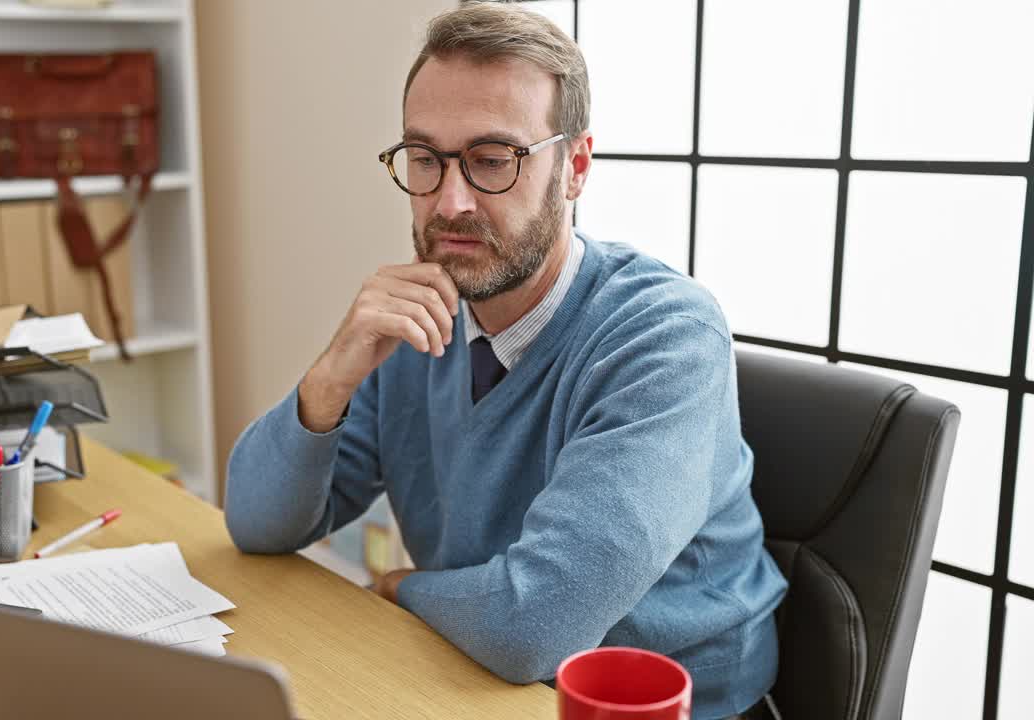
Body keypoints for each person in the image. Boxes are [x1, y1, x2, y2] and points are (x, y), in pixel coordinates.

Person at [224, 4, 786, 719]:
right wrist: (334, 371)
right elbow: (254, 524)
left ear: (575, 167)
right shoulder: (424, 319)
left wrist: (401, 589)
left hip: (667, 706)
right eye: (426, 160)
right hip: (468, 674)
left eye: (493, 160)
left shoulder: (664, 336)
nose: (450, 202)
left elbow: (534, 624)